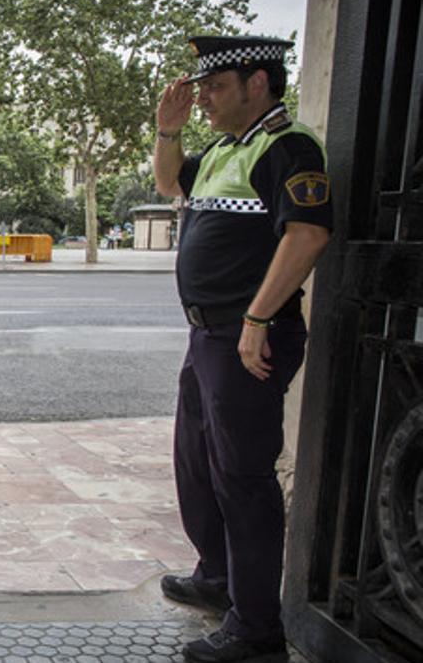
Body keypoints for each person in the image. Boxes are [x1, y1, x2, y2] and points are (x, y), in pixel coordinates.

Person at [153, 35, 331, 663]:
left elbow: (307, 235)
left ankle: (256, 627)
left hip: (247, 337)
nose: (202, 97)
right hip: (209, 335)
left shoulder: (289, 146)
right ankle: (218, 578)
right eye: (200, 88)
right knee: (199, 463)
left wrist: (259, 317)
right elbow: (172, 182)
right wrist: (168, 132)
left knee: (244, 476)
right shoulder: (229, 148)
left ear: (258, 82)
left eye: (215, 87)